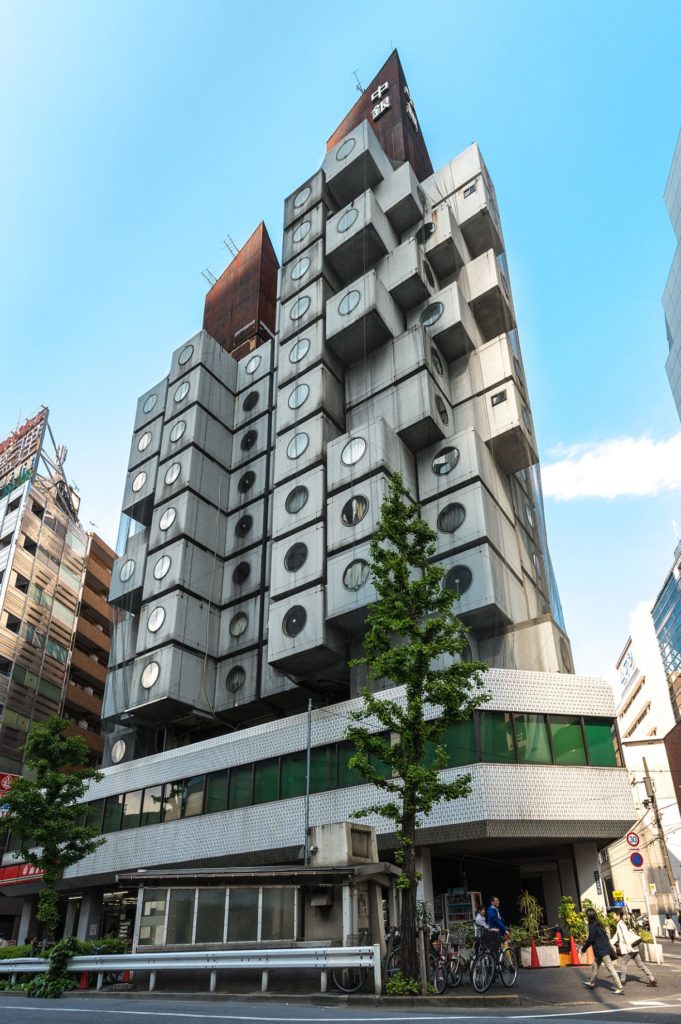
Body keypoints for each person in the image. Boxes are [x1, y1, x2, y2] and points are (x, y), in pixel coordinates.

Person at [581, 908, 623, 994]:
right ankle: (591, 982)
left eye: (586, 915)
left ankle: (620, 987)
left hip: (602, 950)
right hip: (602, 949)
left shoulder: (592, 925)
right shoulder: (599, 924)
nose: (586, 917)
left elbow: (590, 939)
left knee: (610, 968)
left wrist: (583, 949)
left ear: (589, 916)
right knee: (595, 965)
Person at [613, 909, 656, 987]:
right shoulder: (620, 923)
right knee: (640, 964)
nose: (613, 916)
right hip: (634, 947)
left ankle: (622, 981)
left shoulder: (620, 924)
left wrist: (629, 946)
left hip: (630, 948)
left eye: (614, 914)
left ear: (618, 915)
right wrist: (610, 943)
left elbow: (625, 935)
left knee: (622, 962)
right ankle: (652, 979)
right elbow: (616, 936)